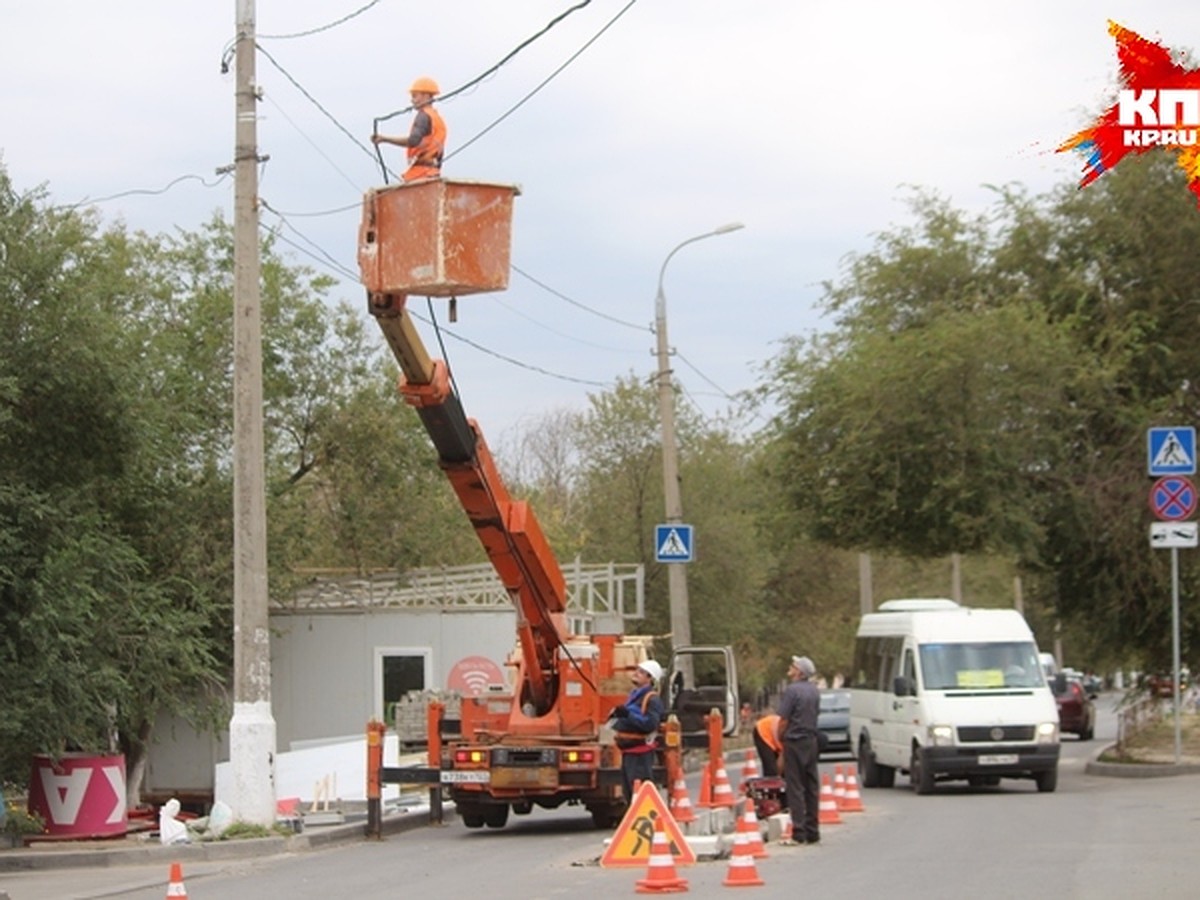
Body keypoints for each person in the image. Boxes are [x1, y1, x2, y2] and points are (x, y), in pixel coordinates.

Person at [776, 655, 821, 845]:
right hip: (811, 741)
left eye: (793, 666)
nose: (790, 668)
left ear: (800, 672)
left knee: (795, 786)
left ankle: (798, 832)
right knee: (811, 786)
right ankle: (813, 831)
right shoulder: (814, 691)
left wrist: (780, 737)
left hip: (794, 741)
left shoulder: (792, 691)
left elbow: (784, 719)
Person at [371, 76, 447, 182]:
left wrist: (384, 139)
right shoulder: (437, 119)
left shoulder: (424, 116)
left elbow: (413, 140)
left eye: (415, 96)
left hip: (420, 173)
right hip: (433, 172)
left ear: (426, 96)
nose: (412, 100)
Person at [610, 659, 665, 803]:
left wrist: (628, 715)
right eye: (637, 670)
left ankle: (645, 821)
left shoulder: (651, 699)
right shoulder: (635, 696)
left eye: (641, 672)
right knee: (630, 793)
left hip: (640, 754)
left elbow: (650, 724)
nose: (636, 673)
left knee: (640, 793)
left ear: (650, 678)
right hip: (629, 752)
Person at [753, 713, 783, 777]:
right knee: (771, 772)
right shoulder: (793, 740)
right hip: (763, 731)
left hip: (775, 735)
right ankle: (769, 785)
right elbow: (782, 758)